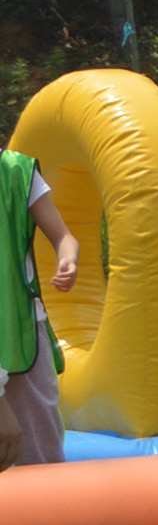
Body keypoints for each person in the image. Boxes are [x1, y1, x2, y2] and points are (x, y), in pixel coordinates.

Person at [0, 132, 79, 471]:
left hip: (21, 330)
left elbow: (63, 236)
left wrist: (68, 259)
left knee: (41, 451)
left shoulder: (17, 171)